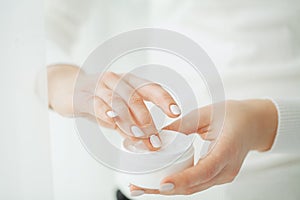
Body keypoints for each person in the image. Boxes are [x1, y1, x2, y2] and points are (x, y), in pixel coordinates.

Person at [46, 0, 300, 199]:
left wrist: (266, 123)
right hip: (146, 189)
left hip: (284, 179)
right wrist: (62, 80)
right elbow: (38, 25)